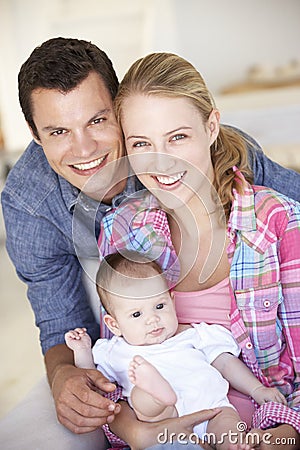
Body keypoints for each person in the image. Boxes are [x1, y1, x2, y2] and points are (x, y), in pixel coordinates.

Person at [0, 37, 300, 450]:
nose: (85, 148)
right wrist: (86, 392)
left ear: (119, 114)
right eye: (58, 131)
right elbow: (72, 325)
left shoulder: (240, 177)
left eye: (98, 121)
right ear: (34, 135)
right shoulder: (43, 205)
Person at [100, 52, 300, 449]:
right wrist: (132, 429)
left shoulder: (279, 222)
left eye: (178, 136)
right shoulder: (122, 230)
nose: (161, 161)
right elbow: (118, 370)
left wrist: (284, 437)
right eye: (142, 143)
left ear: (211, 126)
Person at [66, 252, 287, 450]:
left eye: (159, 306)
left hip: (212, 409)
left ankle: (234, 444)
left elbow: (226, 363)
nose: (152, 319)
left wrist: (257, 389)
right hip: (164, 421)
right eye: (136, 314)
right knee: (141, 398)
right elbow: (95, 383)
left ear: (172, 301)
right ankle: (158, 392)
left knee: (229, 426)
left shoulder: (194, 334)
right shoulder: (114, 351)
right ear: (114, 324)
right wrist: (83, 350)